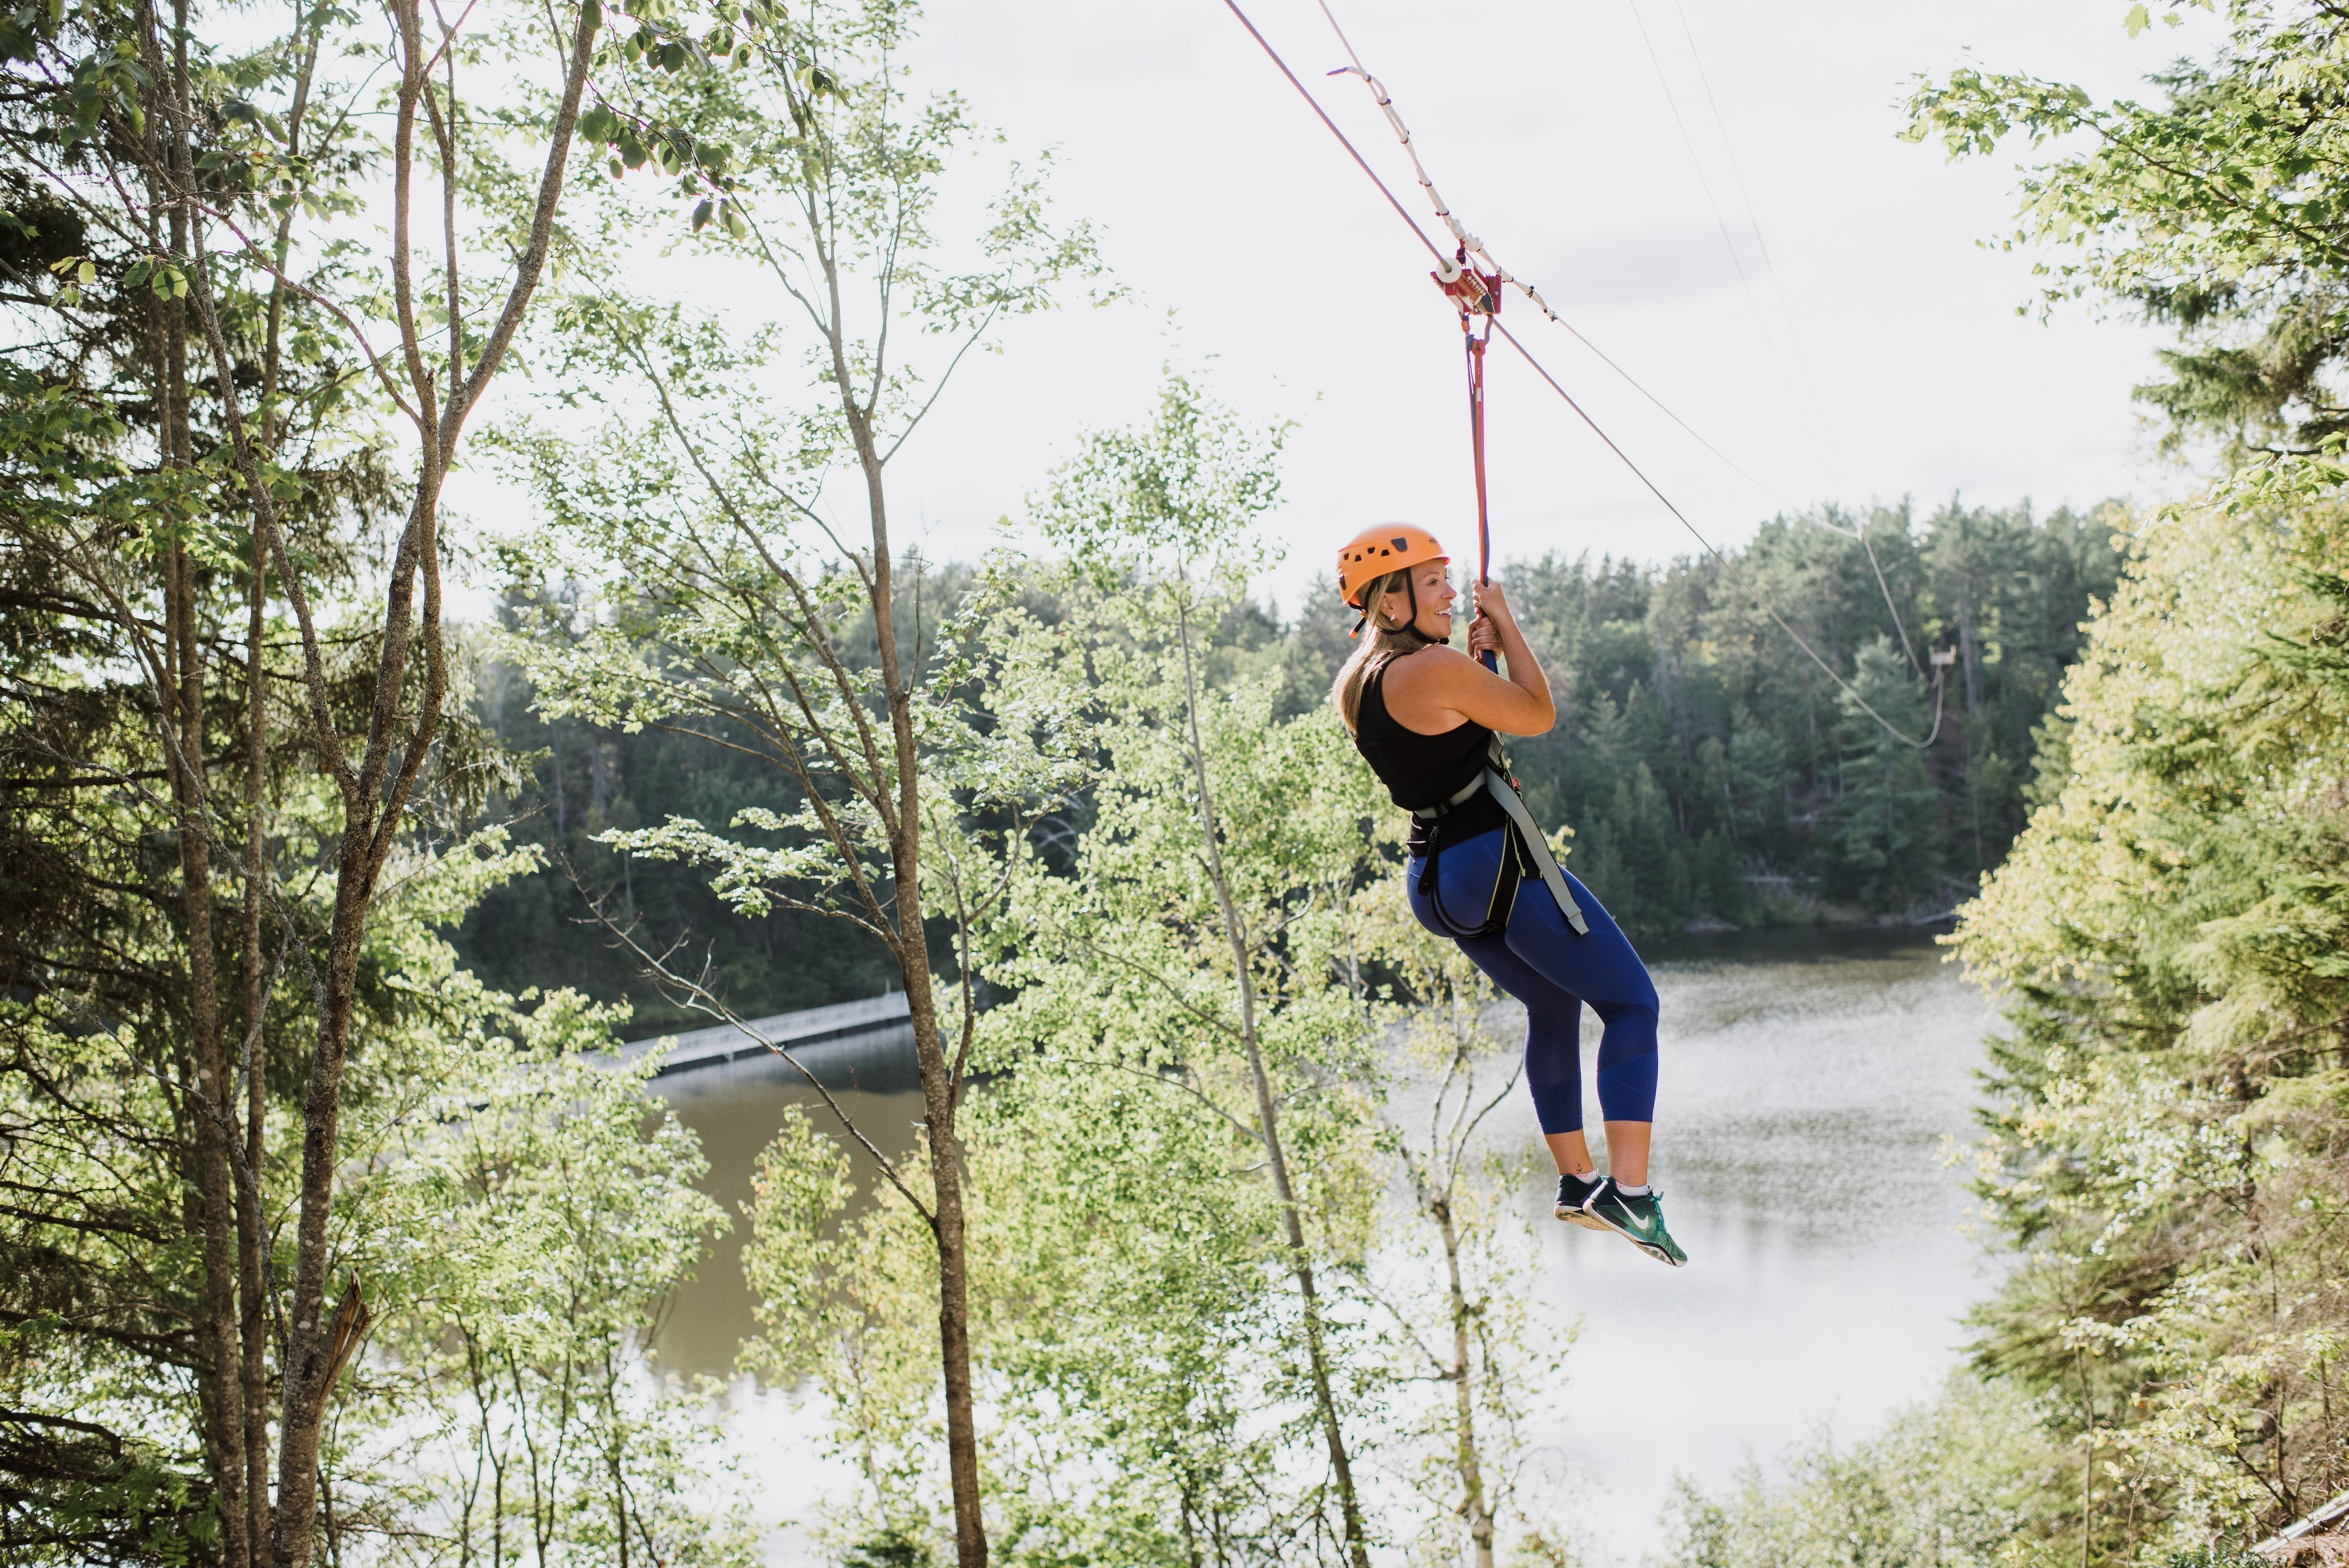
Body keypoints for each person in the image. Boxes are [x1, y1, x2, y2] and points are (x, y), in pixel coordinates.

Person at [1332, 524, 1687, 1267]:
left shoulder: (1359, 680)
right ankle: (1630, 1190)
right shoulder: (1429, 668)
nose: (1451, 591)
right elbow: (1534, 713)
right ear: (1389, 604)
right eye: (1433, 583)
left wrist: (1474, 654)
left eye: (1447, 580)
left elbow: (1449, 731)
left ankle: (1576, 1181)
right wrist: (1508, 627)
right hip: (1494, 861)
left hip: (1438, 878)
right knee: (1632, 1006)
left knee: (1553, 1005)